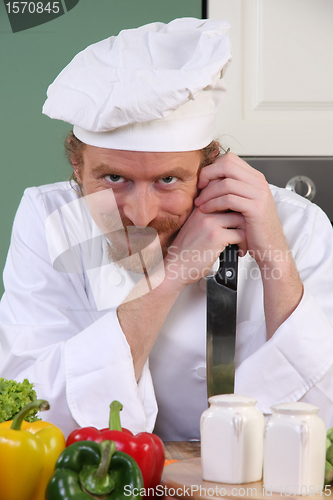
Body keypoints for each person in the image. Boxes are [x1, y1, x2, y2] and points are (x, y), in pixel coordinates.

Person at [0, 18, 333, 440]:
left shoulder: (294, 225)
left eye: (168, 180)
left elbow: (318, 420)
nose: (140, 214)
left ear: (208, 169)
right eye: (113, 179)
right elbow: (31, 409)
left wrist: (274, 254)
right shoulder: (49, 219)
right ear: (77, 168)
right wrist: (171, 276)